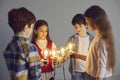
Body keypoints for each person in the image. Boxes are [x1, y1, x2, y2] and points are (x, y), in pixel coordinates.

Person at [3, 7, 41, 80]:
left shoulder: (9, 46)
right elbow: (36, 75)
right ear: (26, 27)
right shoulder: (30, 48)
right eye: (32, 27)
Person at [84, 5, 115, 80]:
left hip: (97, 77)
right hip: (93, 76)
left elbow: (102, 66)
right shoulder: (98, 36)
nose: (86, 25)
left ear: (95, 21)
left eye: (87, 21)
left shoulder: (101, 41)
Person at [64, 13, 94, 80]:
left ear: (86, 25)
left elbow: (94, 57)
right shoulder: (72, 39)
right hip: (76, 70)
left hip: (89, 70)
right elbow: (66, 53)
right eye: (76, 27)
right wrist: (62, 59)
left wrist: (77, 55)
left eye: (80, 26)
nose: (78, 29)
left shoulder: (92, 40)